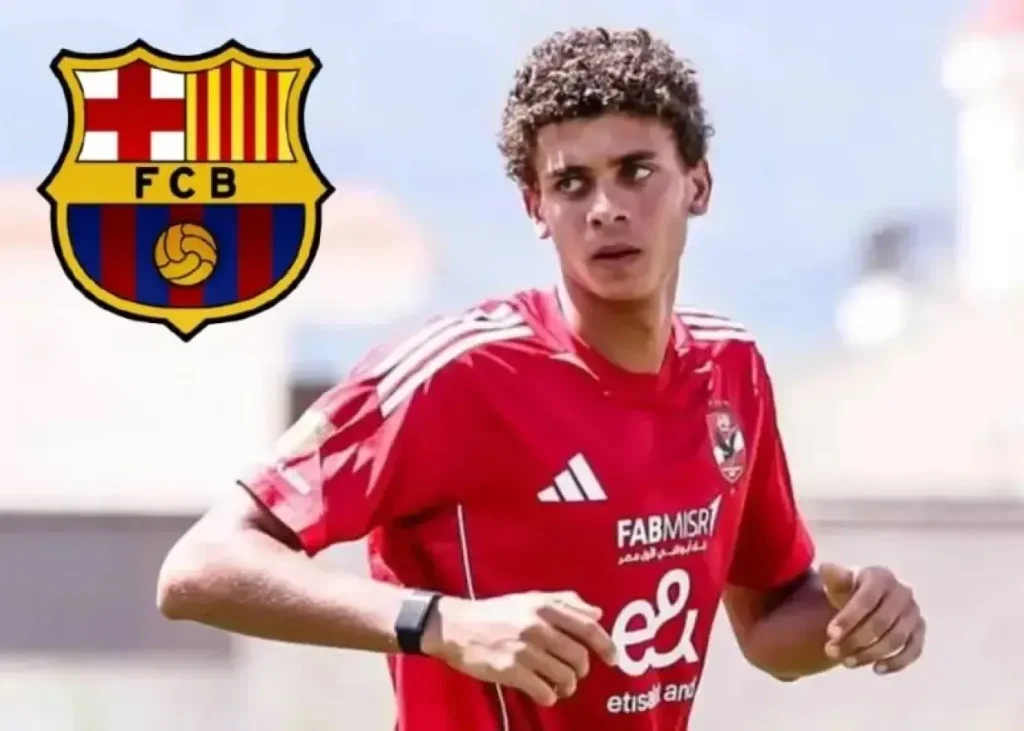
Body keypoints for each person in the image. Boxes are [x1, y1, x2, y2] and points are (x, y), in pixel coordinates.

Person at [156, 26, 926, 730]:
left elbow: (768, 625)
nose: (606, 208)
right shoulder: (458, 374)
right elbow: (201, 566)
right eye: (572, 184)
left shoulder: (731, 370)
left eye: (636, 171)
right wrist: (443, 623)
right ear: (536, 206)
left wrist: (855, 619)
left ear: (698, 183)